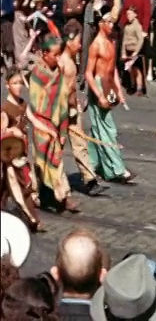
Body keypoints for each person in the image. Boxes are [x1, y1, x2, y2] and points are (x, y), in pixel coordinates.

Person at [29, 33, 80, 213]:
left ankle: (63, 196)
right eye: (54, 55)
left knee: (56, 162)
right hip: (41, 126)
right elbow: (36, 103)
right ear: (44, 54)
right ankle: (38, 195)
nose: (58, 59)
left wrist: (63, 129)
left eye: (59, 55)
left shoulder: (58, 72)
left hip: (57, 125)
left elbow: (62, 99)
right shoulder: (37, 74)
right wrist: (45, 124)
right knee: (41, 162)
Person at [85, 4, 136, 183]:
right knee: (107, 129)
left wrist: (119, 92)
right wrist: (99, 95)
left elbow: (112, 69)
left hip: (108, 85)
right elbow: (88, 74)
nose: (112, 25)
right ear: (101, 23)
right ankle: (116, 169)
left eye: (113, 22)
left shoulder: (111, 42)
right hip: (99, 86)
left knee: (98, 128)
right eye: (109, 22)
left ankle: (94, 164)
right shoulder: (96, 45)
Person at [1, 71, 56, 231]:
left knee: (6, 190)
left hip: (21, 152)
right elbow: (2, 133)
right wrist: (12, 131)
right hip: (10, 157)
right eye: (15, 83)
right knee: (22, 187)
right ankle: (33, 220)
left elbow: (32, 120)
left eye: (20, 83)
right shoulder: (5, 109)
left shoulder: (23, 104)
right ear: (7, 86)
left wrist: (49, 131)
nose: (19, 87)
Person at [58, 24, 108, 196]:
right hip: (63, 112)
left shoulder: (69, 61)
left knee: (80, 144)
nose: (80, 46)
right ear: (69, 41)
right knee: (59, 148)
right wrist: (73, 106)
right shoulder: (64, 63)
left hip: (70, 110)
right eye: (78, 42)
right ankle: (53, 185)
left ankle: (90, 179)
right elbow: (64, 90)